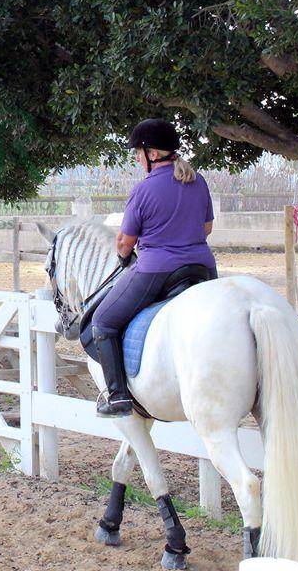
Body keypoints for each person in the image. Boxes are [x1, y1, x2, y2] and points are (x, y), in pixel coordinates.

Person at [88, 118, 217, 417]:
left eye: (138, 152)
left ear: (153, 153)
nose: (136, 158)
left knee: (103, 322)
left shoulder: (144, 189)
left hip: (157, 269)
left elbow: (124, 242)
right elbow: (207, 227)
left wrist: (124, 259)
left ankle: (118, 396)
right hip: (202, 267)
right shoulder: (197, 181)